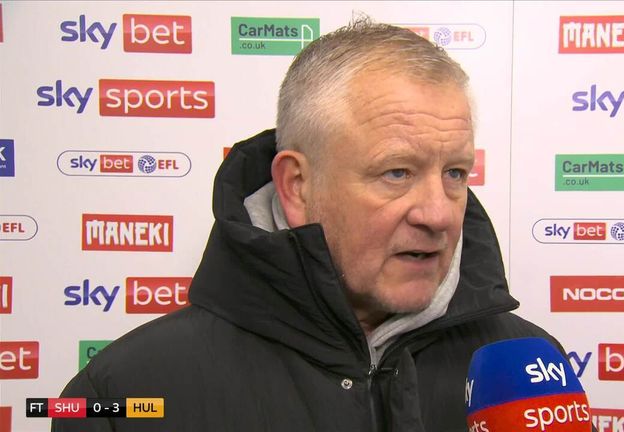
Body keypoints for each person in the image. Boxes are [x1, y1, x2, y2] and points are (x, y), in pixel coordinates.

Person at [54, 18, 567, 432]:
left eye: (454, 172)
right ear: (298, 186)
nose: (438, 213)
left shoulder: (534, 373)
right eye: (397, 173)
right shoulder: (119, 395)